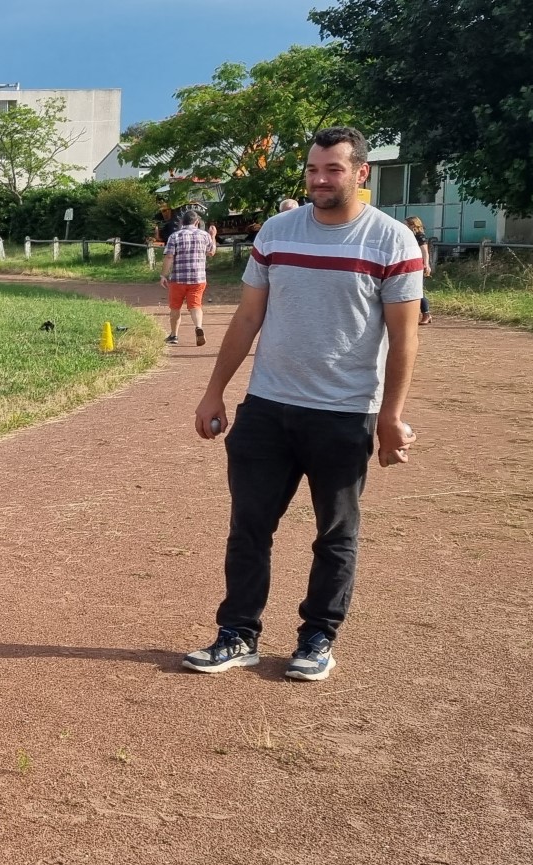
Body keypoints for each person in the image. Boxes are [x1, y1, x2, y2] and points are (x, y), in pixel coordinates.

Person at [186, 126, 422, 682]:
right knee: (249, 526)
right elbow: (248, 318)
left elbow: (404, 337)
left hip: (344, 413)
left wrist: (389, 417)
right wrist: (214, 389)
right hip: (268, 406)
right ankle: (237, 634)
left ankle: (318, 637)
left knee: (335, 534)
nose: (319, 179)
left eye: (333, 170)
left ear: (361, 173)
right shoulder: (277, 231)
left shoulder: (390, 241)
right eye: (313, 169)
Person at [161, 210, 216, 346]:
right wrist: (213, 236)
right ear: (197, 222)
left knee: (175, 308)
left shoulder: (174, 236)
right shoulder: (204, 236)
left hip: (178, 279)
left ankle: (174, 335)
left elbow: (169, 256)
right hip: (198, 278)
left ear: (181, 222)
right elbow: (211, 252)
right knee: (195, 305)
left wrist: (163, 275)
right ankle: (198, 326)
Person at [404, 216, 435, 325]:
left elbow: (424, 251)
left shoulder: (419, 236)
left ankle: (426, 314)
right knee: (411, 290)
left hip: (419, 266)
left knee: (418, 291)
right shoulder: (408, 236)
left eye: (406, 224)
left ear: (413, 225)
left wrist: (426, 264)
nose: (404, 226)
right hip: (409, 265)